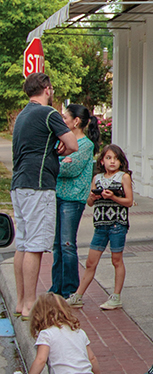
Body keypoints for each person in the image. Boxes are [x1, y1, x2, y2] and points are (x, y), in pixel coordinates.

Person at [11, 73, 78, 320]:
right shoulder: (48, 113)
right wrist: (61, 148)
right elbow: (73, 144)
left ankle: (20, 302)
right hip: (38, 185)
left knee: (23, 243)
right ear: (47, 89)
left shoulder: (22, 115)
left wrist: (52, 148)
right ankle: (30, 304)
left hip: (19, 184)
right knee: (36, 246)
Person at [70, 145, 134, 310]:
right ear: (102, 161)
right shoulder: (97, 178)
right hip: (100, 225)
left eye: (116, 158)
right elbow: (90, 203)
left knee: (116, 260)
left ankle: (116, 296)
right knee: (91, 262)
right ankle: (78, 295)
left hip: (116, 224)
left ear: (121, 161)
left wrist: (113, 197)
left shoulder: (123, 177)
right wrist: (93, 196)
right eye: (108, 158)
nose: (112, 162)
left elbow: (129, 201)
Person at [51, 104, 99, 298]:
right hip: (58, 196)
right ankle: (57, 287)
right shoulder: (61, 142)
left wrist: (60, 163)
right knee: (56, 245)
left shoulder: (85, 145)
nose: (63, 121)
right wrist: (61, 161)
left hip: (73, 199)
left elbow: (69, 170)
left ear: (76, 121)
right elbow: (53, 161)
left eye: (65, 118)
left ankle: (70, 289)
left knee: (67, 244)